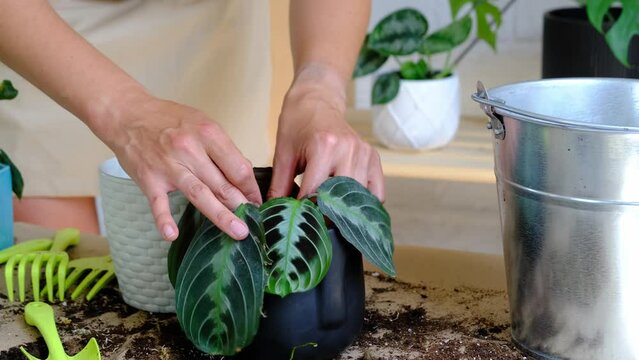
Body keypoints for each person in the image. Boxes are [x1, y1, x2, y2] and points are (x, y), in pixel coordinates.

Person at [0, 0, 383, 241]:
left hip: (215, 39)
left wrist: (320, 87)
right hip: (48, 44)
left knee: (229, 257)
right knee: (65, 288)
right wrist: (126, 111)